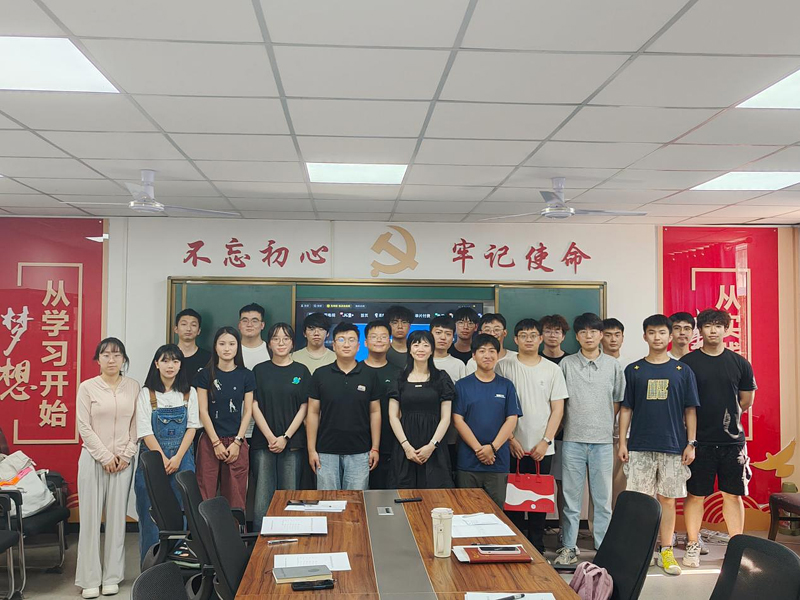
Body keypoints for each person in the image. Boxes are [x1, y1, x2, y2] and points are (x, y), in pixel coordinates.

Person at [618, 314, 699, 576]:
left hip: (673, 446)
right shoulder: (634, 370)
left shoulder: (682, 371)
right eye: (652, 332)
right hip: (639, 445)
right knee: (641, 502)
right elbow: (626, 409)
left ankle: (666, 551)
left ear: (670, 336)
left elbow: (690, 410)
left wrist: (691, 443)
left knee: (667, 500)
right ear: (645, 336)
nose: (657, 337)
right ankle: (642, 552)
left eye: (662, 332)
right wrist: (623, 442)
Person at [680, 308, 756, 568]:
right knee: (695, 495)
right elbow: (683, 404)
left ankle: (736, 549)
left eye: (717, 325)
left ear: (726, 329)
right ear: (700, 331)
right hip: (698, 442)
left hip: (732, 442)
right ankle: (693, 543)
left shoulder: (739, 363)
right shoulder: (688, 363)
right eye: (707, 326)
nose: (713, 330)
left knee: (732, 496)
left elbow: (746, 400)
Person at [555, 313, 625, 566]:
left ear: (601, 335)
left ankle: (603, 548)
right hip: (572, 441)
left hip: (603, 443)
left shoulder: (613, 366)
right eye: (583, 332)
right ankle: (569, 547)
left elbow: (617, 401)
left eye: (593, 331)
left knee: (603, 501)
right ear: (576, 336)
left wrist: (601, 423)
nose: (588, 336)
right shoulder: (566, 364)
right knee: (571, 501)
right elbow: (559, 401)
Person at [75, 338, 139, 599]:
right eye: (106, 355)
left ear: (124, 359)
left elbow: (136, 424)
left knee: (116, 520)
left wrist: (125, 455)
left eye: (117, 354)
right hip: (92, 460)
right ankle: (89, 579)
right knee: (90, 521)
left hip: (123, 462)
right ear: (98, 359)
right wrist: (104, 456)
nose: (111, 360)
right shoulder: (87, 387)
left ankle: (112, 576)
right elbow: (84, 426)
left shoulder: (133, 387)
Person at [498, 319, 567, 555]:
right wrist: (509, 439)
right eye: (523, 335)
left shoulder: (553, 369)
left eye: (533, 335)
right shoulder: (503, 366)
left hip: (542, 447)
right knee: (513, 500)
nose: (528, 339)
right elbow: (498, 406)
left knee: (539, 500)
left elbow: (558, 409)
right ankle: (515, 545)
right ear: (515, 339)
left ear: (540, 339)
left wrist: (546, 441)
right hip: (511, 445)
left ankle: (537, 547)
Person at [134, 344, 200, 565]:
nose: (170, 365)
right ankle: (150, 570)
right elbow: (145, 431)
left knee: (182, 514)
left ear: (181, 365)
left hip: (182, 459)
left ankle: (178, 569)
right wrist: (162, 458)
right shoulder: (146, 394)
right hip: (152, 462)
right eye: (165, 360)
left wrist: (178, 458)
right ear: (156, 364)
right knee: (150, 516)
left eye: (175, 361)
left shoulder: (189, 393)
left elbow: (192, 428)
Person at [307, 322, 382, 490]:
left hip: (360, 451)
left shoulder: (369, 375)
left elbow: (375, 412)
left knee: (356, 502)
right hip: (326, 451)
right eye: (341, 339)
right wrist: (311, 450)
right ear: (333, 345)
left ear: (359, 346)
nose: (346, 344)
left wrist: (375, 448)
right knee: (327, 501)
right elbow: (312, 412)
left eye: (351, 340)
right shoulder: (320, 374)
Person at [250, 323, 310, 530]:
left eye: (286, 339)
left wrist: (285, 437)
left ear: (293, 343)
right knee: (262, 496)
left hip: (292, 443)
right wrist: (270, 437)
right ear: (269, 343)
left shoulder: (301, 371)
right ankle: (260, 540)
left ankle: (290, 537)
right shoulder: (259, 370)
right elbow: (253, 405)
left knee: (290, 495)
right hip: (263, 442)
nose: (281, 343)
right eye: (276, 338)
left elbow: (304, 407)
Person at [453, 334, 522, 508]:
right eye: (482, 351)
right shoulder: (462, 385)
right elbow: (458, 420)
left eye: (492, 351)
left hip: (498, 462)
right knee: (466, 511)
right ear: (473, 355)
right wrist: (479, 450)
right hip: (468, 462)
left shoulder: (506, 385)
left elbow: (511, 419)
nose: (487, 355)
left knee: (496, 513)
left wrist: (492, 448)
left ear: (498, 355)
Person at [195, 327, 254, 510]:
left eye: (231, 344)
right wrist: (215, 443)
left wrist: (238, 441)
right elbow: (203, 411)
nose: (227, 348)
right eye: (222, 344)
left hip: (236, 441)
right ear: (215, 347)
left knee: (235, 499)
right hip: (210, 441)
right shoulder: (204, 374)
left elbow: (248, 411)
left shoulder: (246, 375)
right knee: (206, 496)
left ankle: (234, 530)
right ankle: (205, 530)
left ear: (238, 347)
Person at [389, 330, 455, 488]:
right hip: (405, 444)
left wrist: (432, 446)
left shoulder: (441, 378)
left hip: (434, 444)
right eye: (416, 344)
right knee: (403, 491)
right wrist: (406, 447)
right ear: (410, 349)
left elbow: (446, 417)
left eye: (426, 345)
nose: (421, 349)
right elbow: (393, 416)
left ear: (432, 350)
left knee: (437, 493)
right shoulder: (399, 378)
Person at [540, 314, 572, 531]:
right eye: (548, 331)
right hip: (536, 435)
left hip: (564, 433)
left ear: (564, 335)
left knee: (563, 483)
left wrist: (557, 426)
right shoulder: (534, 360)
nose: (552, 335)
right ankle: (537, 527)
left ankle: (563, 529)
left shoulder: (570, 362)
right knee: (538, 481)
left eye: (557, 331)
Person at [361, 320, 402, 490]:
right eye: (374, 336)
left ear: (390, 342)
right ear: (365, 342)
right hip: (359, 443)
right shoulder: (356, 371)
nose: (379, 340)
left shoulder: (399, 373)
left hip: (390, 443)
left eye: (384, 337)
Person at [430, 315, 467, 471]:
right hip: (424, 429)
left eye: (448, 333)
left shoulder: (459, 365)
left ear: (453, 337)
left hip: (452, 433)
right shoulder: (420, 361)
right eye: (438, 333)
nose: (443, 337)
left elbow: (463, 400)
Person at [238, 303, 269, 443]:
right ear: (239, 325)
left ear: (262, 325)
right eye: (245, 320)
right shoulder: (230, 350)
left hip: (265, 427)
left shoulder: (272, 351)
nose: (249, 324)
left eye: (254, 320)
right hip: (234, 426)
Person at [173, 308, 211, 384]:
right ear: (176, 329)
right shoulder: (167, 355)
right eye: (184, 324)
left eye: (193, 325)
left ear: (199, 331)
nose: (188, 329)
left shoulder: (208, 358)